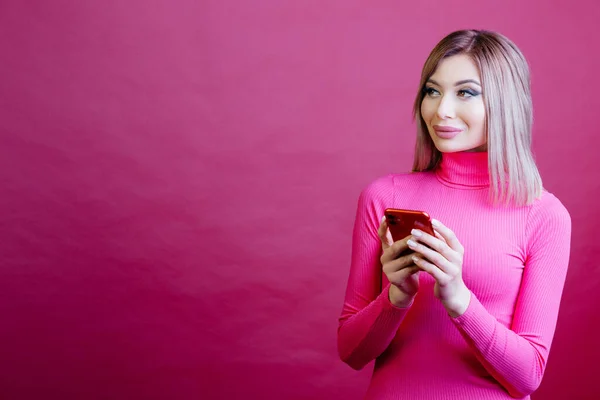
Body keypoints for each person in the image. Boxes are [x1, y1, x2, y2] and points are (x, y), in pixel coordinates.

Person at [337, 29, 571, 400]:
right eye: (433, 90)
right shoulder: (384, 197)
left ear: (505, 102)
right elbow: (351, 352)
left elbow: (528, 375)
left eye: (465, 92)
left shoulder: (544, 216)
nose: (441, 109)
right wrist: (397, 296)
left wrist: (458, 298)